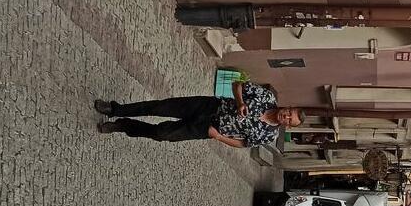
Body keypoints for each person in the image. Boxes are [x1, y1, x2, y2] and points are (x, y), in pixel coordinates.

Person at [93, 82, 300, 147]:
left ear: (288, 126)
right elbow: (238, 84)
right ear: (288, 107)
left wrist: (218, 137)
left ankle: (123, 125)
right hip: (208, 106)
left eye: (290, 120)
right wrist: (240, 102)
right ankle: (115, 109)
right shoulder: (266, 97)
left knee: (162, 134)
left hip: (208, 128)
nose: (287, 116)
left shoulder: (269, 135)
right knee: (159, 107)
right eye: (290, 112)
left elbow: (243, 143)